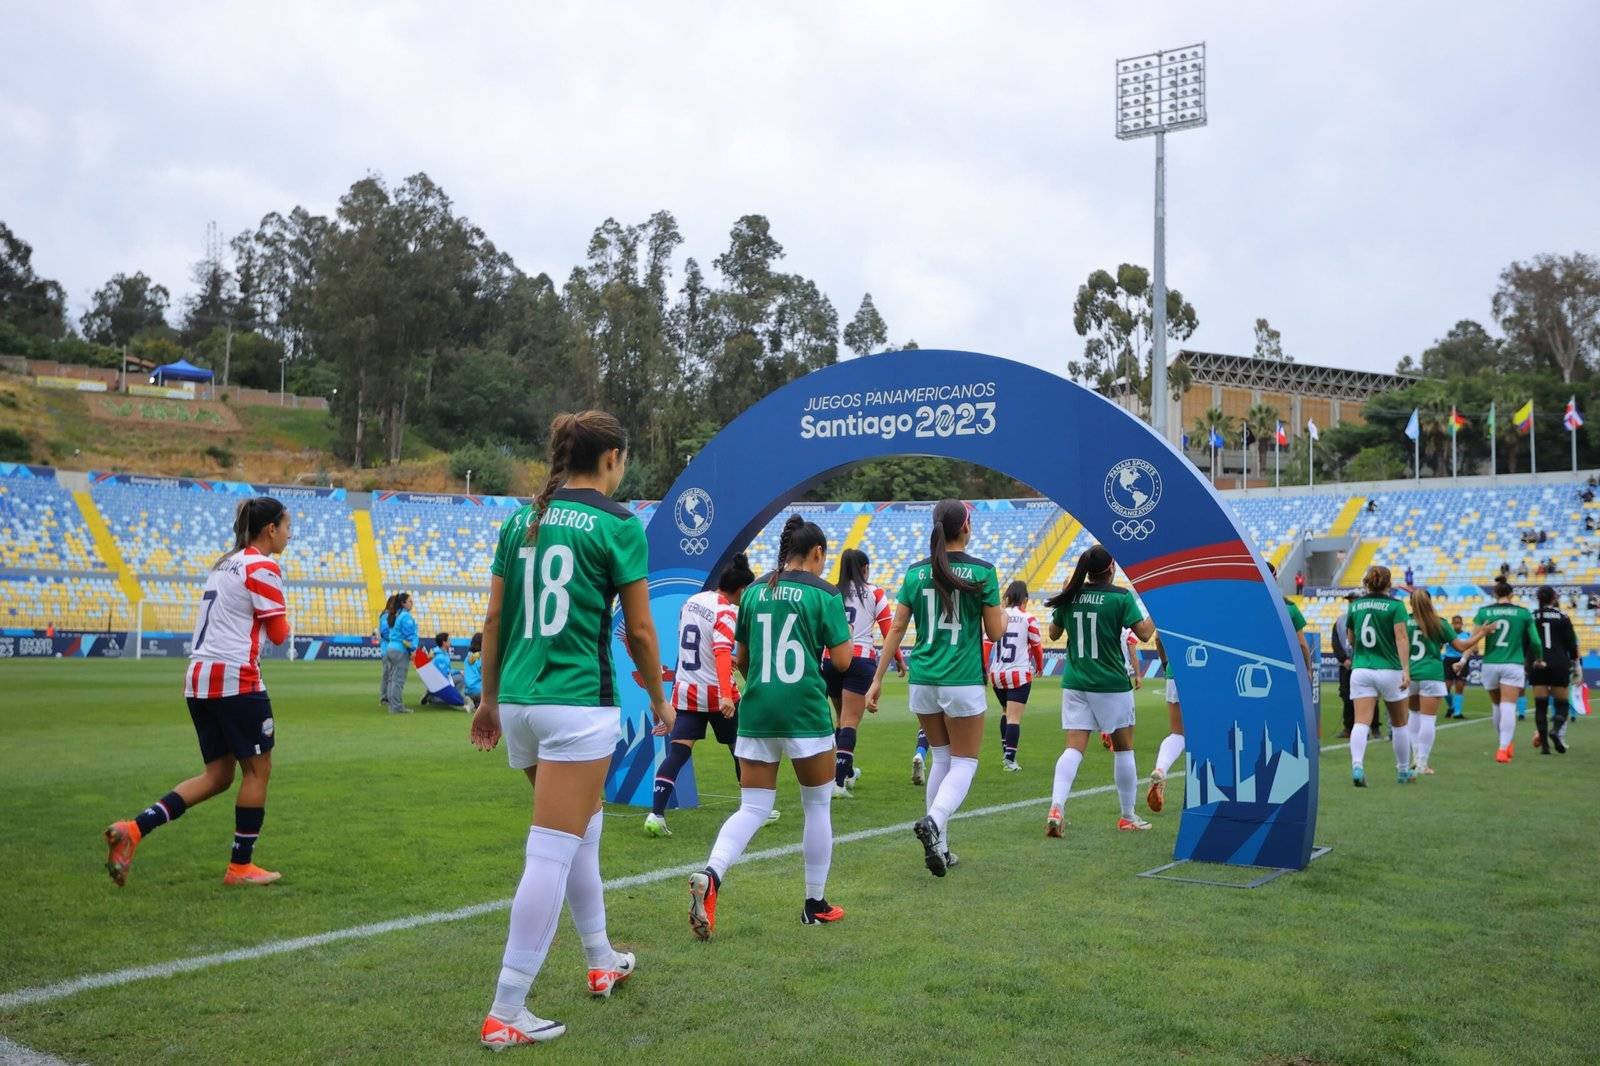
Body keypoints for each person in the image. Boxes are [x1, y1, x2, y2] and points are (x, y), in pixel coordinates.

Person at [469, 411, 672, 1049]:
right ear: (611, 458)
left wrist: (488, 698)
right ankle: (507, 1009)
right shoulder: (618, 523)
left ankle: (601, 957)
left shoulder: (520, 519)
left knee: (584, 830)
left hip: (524, 704)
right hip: (579, 704)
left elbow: (495, 617)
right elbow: (639, 631)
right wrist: (663, 702)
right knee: (551, 850)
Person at [103, 497, 294, 888]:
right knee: (258, 770)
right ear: (270, 529)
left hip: (199, 677)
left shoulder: (224, 563)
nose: (290, 534)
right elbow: (278, 634)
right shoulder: (263, 565)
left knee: (218, 775)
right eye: (287, 526)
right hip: (236, 677)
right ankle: (240, 867)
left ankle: (133, 830)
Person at [687, 516, 853, 939]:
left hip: (758, 711)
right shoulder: (825, 593)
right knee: (817, 807)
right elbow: (843, 662)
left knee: (753, 808)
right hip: (804, 713)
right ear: (817, 554)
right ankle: (815, 903)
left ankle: (712, 873)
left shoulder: (757, 590)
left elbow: (741, 658)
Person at [867, 499, 1004, 877]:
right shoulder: (983, 572)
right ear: (966, 528)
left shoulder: (914, 573)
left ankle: (941, 848)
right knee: (964, 763)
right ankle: (934, 820)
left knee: (941, 760)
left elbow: (895, 629)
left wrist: (877, 679)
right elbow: (995, 631)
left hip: (923, 678)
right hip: (962, 679)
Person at [1044, 545, 1157, 834]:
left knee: (1073, 748)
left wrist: (1070, 596)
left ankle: (1056, 807)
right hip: (1111, 684)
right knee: (1123, 749)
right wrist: (1159, 605)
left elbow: (1053, 634)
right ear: (1110, 569)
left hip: (1075, 682)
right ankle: (1128, 816)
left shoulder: (1072, 595)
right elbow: (1144, 633)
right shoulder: (1120, 597)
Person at [646, 553, 760, 835]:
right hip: (715, 691)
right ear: (742, 590)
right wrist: (724, 694)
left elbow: (693, 646)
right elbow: (720, 651)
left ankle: (655, 814)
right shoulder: (727, 611)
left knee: (678, 752)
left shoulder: (693, 602)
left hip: (687, 690)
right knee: (741, 749)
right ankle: (755, 808)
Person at [827, 548, 903, 796]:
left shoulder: (831, 594)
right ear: (864, 569)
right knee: (850, 722)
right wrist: (900, 660)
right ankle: (837, 783)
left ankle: (847, 772)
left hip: (831, 659)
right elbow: (889, 629)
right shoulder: (874, 593)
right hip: (860, 659)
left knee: (840, 719)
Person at [1346, 565, 1412, 787]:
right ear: (1389, 583)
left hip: (1362, 668)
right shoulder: (1395, 606)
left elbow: (1351, 638)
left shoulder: (1355, 605)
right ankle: (1403, 771)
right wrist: (1406, 670)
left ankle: (1357, 766)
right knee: (1400, 723)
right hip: (1389, 669)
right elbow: (1401, 638)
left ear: (1367, 582)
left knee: (1360, 722)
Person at [1464, 579, 1543, 763]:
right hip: (1513, 664)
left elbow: (1473, 639)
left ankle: (1504, 743)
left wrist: (1463, 659)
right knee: (1509, 705)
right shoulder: (1523, 613)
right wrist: (1538, 658)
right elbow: (1536, 641)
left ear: (1495, 594)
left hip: (1490, 663)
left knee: (1497, 705)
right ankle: (1502, 748)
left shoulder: (1484, 612)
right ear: (1511, 595)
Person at [1404, 589, 1474, 775]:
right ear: (1429, 602)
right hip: (1432, 673)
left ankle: (1415, 756)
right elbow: (1461, 646)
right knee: (1428, 719)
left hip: (1409, 673)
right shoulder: (1439, 623)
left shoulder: (1402, 621)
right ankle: (1422, 763)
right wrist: (1482, 632)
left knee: (1414, 715)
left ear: (1411, 603)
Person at [988, 580, 1043, 772]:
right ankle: (1010, 760)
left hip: (997, 673)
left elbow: (987, 642)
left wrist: (985, 666)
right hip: (1018, 673)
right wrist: (1040, 666)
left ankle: (1006, 753)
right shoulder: (1028, 619)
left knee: (1005, 711)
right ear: (1025, 599)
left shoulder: (998, 616)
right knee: (1014, 717)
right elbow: (1036, 645)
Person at [1530, 586, 1578, 754]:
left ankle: (1545, 747)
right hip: (1559, 663)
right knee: (1562, 704)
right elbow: (1572, 645)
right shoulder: (1563, 617)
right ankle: (1555, 731)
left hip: (1538, 663)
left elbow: (1527, 642)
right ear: (1553, 598)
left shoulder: (1531, 616)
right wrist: (1576, 664)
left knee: (1540, 706)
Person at [1147, 636, 1183, 813]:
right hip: (1206, 670)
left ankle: (1161, 769)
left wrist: (1165, 662)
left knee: (1178, 734)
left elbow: (1158, 638)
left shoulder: (1178, 607)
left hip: (1175, 670)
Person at [382, 592, 417, 714]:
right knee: (398, 680)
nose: (412, 603)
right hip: (400, 650)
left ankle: (393, 706)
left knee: (392, 679)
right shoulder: (405, 617)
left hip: (391, 648)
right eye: (410, 601)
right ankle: (396, 707)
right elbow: (409, 637)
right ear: (403, 603)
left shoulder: (396, 614)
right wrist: (413, 650)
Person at [1333, 592, 1357, 737]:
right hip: (1345, 666)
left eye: (1354, 601)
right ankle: (1348, 727)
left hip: (1362, 664)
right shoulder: (1341, 620)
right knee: (1346, 695)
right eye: (1350, 601)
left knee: (1367, 696)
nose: (1351, 604)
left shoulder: (1366, 618)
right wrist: (1344, 659)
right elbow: (1335, 642)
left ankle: (1373, 727)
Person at [1442, 614, 1468, 719]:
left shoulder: (1467, 635)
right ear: (1452, 624)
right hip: (1448, 660)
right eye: (1455, 623)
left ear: (1462, 624)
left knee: (1459, 686)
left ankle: (1457, 713)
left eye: (1459, 622)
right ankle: (1452, 706)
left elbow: (1472, 648)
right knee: (1445, 688)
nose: (1457, 625)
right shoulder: (1448, 634)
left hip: (1461, 660)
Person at [421, 632, 452, 706]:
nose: (450, 641)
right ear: (444, 642)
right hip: (438, 681)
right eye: (449, 640)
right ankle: (431, 697)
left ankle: (431, 694)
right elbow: (444, 673)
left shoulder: (444, 654)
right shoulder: (439, 656)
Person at [377, 594, 397, 705]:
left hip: (392, 648)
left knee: (391, 674)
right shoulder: (385, 616)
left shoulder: (392, 615)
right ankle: (384, 698)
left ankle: (389, 697)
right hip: (387, 649)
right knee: (387, 673)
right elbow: (385, 633)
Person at [461, 632, 484, 710]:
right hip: (479, 691)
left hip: (468, 690)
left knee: (479, 705)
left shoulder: (467, 657)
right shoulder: (480, 658)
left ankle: (472, 703)